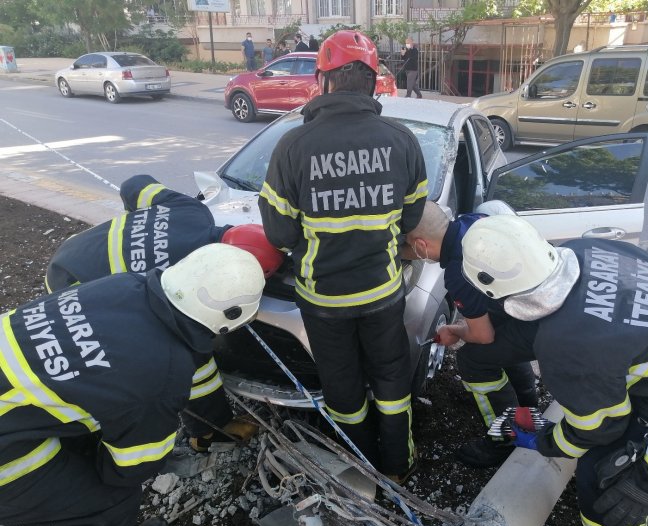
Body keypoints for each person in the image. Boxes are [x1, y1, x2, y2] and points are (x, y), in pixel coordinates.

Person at [460, 214, 648, 526]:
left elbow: (599, 429)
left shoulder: (570, 347)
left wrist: (547, 439)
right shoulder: (584, 249)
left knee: (608, 477)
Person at [0, 242, 266, 526]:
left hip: (13, 403)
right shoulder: (162, 374)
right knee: (108, 505)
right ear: (230, 318)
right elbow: (131, 467)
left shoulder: (123, 283)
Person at [258, 30, 428, 484]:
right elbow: (412, 218)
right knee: (392, 382)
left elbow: (278, 231)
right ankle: (398, 464)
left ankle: (361, 467)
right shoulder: (402, 140)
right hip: (383, 292)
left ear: (324, 81)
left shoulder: (292, 146)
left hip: (324, 300)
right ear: (373, 83)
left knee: (342, 388)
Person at [45, 174, 283, 452]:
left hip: (74, 249)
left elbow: (134, 184)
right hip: (75, 289)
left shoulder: (193, 211)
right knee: (178, 357)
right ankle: (206, 434)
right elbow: (194, 362)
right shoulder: (187, 285)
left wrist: (141, 232)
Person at [403, 202, 538, 467]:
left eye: (411, 246)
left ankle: (505, 438)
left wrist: (456, 330)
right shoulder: (473, 222)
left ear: (420, 246)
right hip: (539, 308)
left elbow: (483, 336)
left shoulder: (459, 271)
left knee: (474, 358)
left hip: (542, 328)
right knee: (504, 337)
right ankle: (528, 408)